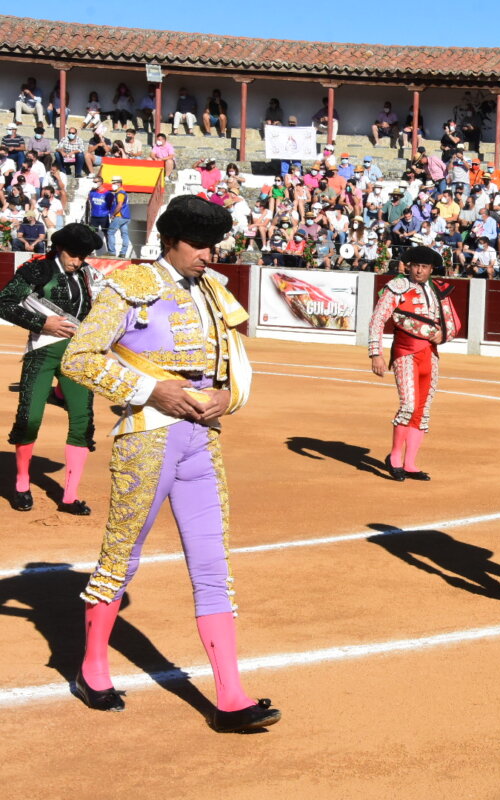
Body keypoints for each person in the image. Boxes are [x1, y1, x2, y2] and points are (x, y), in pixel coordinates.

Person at [61, 195, 277, 732]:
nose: (209, 255)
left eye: (214, 246)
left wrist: (231, 397)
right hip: (147, 438)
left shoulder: (214, 292)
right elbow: (80, 356)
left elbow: (237, 363)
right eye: (199, 245)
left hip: (202, 439)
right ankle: (92, 668)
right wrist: (150, 391)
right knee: (121, 557)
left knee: (213, 567)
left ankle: (230, 696)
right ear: (171, 240)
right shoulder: (128, 287)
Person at [0, 224, 104, 514]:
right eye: (74, 254)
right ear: (59, 248)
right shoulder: (37, 270)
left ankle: (69, 496)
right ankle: (22, 484)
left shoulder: (87, 275)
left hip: (78, 355)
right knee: (29, 419)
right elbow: (4, 303)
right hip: (42, 353)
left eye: (83, 255)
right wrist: (42, 323)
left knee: (82, 422)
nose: (78, 260)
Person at [367, 245, 461, 480]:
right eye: (416, 266)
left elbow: (450, 322)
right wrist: (375, 353)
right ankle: (395, 457)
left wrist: (444, 335)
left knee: (422, 410)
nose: (419, 271)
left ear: (431, 269)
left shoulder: (437, 290)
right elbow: (378, 320)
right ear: (408, 266)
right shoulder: (396, 288)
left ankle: (410, 463)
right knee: (408, 405)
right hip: (405, 352)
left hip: (430, 354)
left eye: (424, 267)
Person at [107, 176, 132, 258]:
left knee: (110, 232)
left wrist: (113, 214)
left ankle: (112, 252)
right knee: (124, 234)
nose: (112, 185)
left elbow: (119, 205)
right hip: (126, 216)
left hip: (119, 216)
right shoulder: (122, 192)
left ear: (119, 183)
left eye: (114, 183)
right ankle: (123, 253)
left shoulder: (120, 193)